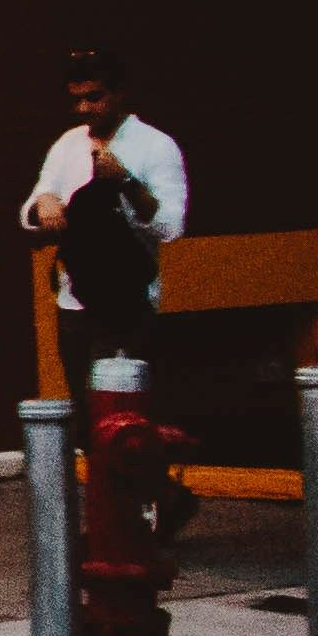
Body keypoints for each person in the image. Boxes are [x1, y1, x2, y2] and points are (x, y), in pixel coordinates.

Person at [23, 52, 190, 390]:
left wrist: (126, 181)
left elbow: (171, 227)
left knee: (120, 408)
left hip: (128, 303)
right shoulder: (68, 144)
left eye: (94, 97)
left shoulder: (155, 146)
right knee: (82, 410)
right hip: (73, 301)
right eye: (76, 99)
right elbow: (31, 211)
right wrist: (43, 203)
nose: (83, 108)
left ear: (119, 93)